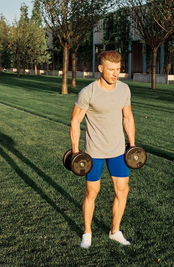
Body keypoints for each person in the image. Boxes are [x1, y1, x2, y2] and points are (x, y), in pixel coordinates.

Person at [70, 50, 135, 249]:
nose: (116, 73)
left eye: (118, 69)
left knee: (122, 191)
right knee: (92, 192)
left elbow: (128, 117)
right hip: (94, 152)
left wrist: (132, 146)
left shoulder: (124, 90)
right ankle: (87, 232)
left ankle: (115, 231)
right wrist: (75, 151)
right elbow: (75, 121)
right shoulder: (88, 92)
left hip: (117, 150)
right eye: (111, 69)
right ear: (100, 69)